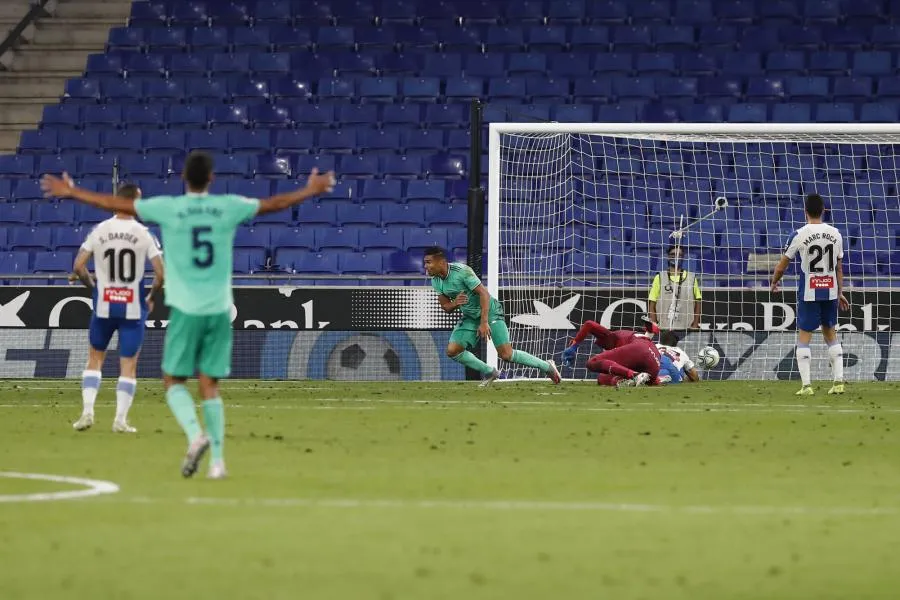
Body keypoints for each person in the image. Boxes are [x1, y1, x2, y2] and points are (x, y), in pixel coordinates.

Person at [42, 151, 336, 478]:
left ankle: (196, 435)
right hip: (219, 309)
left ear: (184, 178)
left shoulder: (169, 208)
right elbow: (274, 204)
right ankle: (219, 463)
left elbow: (118, 205)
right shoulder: (228, 206)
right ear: (211, 178)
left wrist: (73, 191)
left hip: (185, 309)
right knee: (210, 385)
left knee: (172, 380)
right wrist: (311, 189)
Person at [70, 183, 164, 433]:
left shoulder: (99, 230)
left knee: (94, 358)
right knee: (128, 364)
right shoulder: (144, 234)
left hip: (104, 303)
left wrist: (93, 287)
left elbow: (79, 266)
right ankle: (120, 420)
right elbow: (160, 274)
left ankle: (87, 412)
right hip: (132, 305)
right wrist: (152, 295)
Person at [423, 247, 561, 386]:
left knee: (506, 355)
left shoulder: (462, 272)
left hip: (490, 312)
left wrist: (484, 322)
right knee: (453, 351)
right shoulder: (436, 280)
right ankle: (490, 371)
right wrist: (455, 303)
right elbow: (446, 307)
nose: (426, 266)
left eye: (429, 262)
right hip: (470, 316)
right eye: (425, 263)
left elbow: (484, 294)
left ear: (441, 262)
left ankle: (547, 367)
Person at [770, 193, 849, 396]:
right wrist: (840, 292)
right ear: (823, 210)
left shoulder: (799, 234)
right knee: (831, 333)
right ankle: (838, 382)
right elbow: (839, 268)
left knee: (804, 336)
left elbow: (782, 265)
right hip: (830, 290)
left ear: (805, 212)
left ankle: (806, 386)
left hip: (809, 291)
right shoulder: (836, 234)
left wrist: (774, 281)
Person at [560, 315, 659, 367]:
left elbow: (589, 324)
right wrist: (574, 346)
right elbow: (589, 324)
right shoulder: (615, 342)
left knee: (603, 374)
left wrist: (574, 346)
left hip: (640, 345)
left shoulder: (612, 338)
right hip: (641, 348)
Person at [648, 245, 702, 331]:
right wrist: (654, 325)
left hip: (686, 328)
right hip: (664, 328)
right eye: (673, 254)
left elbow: (698, 303)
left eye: (679, 255)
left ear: (683, 258)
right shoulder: (659, 277)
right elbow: (652, 304)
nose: (676, 257)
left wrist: (695, 325)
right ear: (668, 257)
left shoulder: (691, 278)